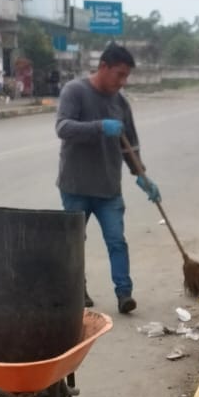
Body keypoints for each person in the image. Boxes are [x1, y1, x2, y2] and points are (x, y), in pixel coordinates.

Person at [55, 43, 160, 315]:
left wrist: (141, 176)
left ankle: (124, 294)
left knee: (116, 241)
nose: (122, 82)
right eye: (119, 74)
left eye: (126, 76)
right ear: (103, 67)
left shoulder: (120, 103)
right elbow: (63, 128)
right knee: (74, 242)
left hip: (108, 188)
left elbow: (130, 145)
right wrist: (100, 127)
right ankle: (78, 290)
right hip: (75, 186)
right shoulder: (75, 91)